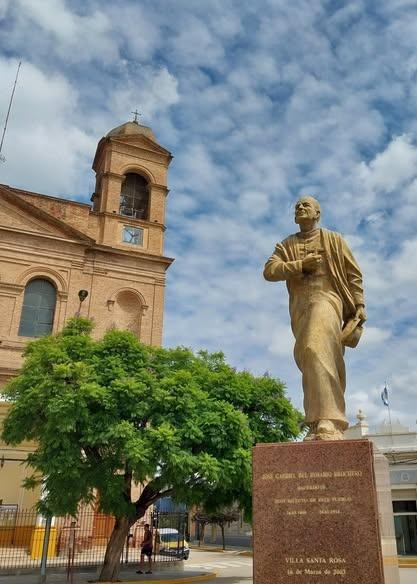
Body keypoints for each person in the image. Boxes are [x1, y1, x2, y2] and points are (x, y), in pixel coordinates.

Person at [263, 196, 366, 440]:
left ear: (317, 213)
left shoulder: (334, 239)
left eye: (305, 205)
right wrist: (299, 265)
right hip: (300, 308)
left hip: (327, 299)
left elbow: (353, 274)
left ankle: (329, 418)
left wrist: (359, 304)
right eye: (297, 206)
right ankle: (316, 420)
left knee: (315, 347)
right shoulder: (286, 245)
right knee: (309, 357)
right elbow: (269, 271)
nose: (300, 208)